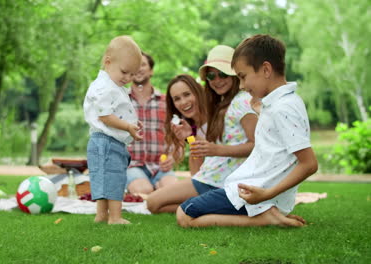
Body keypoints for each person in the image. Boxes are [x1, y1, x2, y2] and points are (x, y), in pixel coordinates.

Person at [176, 34, 318, 228]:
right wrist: (259, 108)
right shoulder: (281, 104)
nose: (241, 85)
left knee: (184, 214)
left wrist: (267, 195)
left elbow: (309, 164)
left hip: (256, 192)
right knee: (189, 210)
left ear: (266, 69)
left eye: (243, 77)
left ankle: (263, 219)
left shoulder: (282, 108)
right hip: (253, 190)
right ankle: (266, 216)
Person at [147, 45, 258, 214]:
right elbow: (205, 153)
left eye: (222, 73)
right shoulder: (222, 107)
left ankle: (204, 206)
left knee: (154, 203)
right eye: (211, 75)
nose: (217, 79)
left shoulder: (241, 102)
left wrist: (216, 149)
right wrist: (190, 137)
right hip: (210, 177)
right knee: (154, 204)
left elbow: (257, 146)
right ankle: (204, 206)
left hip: (220, 180)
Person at [83, 36, 142, 225]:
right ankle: (115, 217)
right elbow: (105, 116)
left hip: (104, 141)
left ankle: (101, 215)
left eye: (133, 75)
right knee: (114, 176)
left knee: (103, 177)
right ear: (108, 62)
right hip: (106, 142)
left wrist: (131, 126)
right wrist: (127, 127)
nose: (128, 78)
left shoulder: (112, 85)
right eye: (125, 72)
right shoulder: (104, 87)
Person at [126, 52, 177, 195]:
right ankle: (145, 189)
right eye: (135, 65)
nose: (139, 68)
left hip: (160, 167)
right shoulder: (122, 102)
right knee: (144, 190)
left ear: (151, 70)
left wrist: (172, 157)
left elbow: (176, 137)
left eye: (143, 64)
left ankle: (158, 190)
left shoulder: (166, 102)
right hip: (132, 166)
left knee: (173, 192)